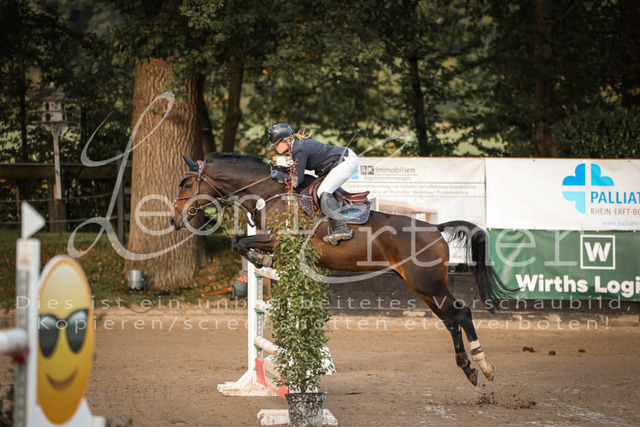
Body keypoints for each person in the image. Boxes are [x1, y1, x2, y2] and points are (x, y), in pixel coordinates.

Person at [267, 122, 359, 244]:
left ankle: (343, 228)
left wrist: (279, 175)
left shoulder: (299, 149)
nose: (275, 147)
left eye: (277, 143)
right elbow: (296, 171)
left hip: (346, 161)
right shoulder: (296, 146)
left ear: (287, 139)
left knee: (323, 191)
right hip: (335, 164)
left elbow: (295, 181)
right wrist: (281, 170)